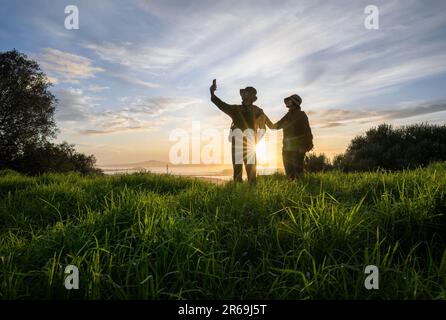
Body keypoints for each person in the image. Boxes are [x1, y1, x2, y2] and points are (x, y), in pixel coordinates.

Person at [210, 79, 272, 184]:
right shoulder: (235, 109)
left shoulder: (258, 111)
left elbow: (264, 128)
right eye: (242, 93)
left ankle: (253, 192)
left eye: (245, 93)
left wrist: (256, 140)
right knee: (237, 170)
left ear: (252, 96)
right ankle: (238, 192)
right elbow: (221, 104)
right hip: (237, 143)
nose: (242, 94)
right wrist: (212, 93)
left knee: (251, 171)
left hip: (250, 144)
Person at [271, 94, 313, 179]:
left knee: (298, 172)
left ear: (294, 102)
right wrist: (264, 120)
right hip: (286, 148)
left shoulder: (301, 115)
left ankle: (302, 189)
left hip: (298, 149)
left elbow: (307, 132)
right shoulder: (288, 115)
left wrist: (305, 147)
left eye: (289, 100)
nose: (286, 102)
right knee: (289, 172)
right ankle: (293, 189)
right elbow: (277, 126)